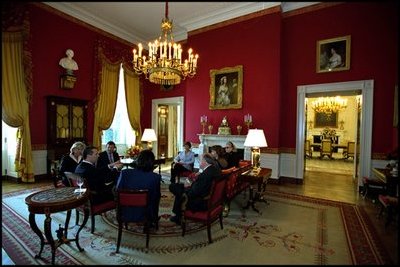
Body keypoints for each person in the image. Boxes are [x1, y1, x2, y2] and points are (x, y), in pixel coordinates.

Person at [168, 153, 222, 225]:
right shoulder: (214, 170)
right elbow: (201, 186)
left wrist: (187, 188)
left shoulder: (205, 175)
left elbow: (193, 193)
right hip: (209, 197)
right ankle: (178, 215)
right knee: (178, 188)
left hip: (200, 202)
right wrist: (190, 185)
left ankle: (178, 216)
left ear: (205, 162)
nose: (198, 162)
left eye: (200, 160)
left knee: (176, 190)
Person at [115, 149, 161, 226]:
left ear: (138, 159)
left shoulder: (124, 173)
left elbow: (118, 191)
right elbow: (154, 197)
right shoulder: (155, 177)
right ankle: (153, 219)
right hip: (145, 213)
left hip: (125, 211)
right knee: (156, 197)